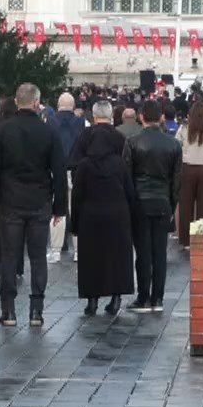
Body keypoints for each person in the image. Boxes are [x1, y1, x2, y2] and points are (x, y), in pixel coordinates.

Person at [0, 83, 68, 327]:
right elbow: (59, 172)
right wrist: (59, 207)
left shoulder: (2, 131)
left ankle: (8, 310)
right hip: (39, 201)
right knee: (38, 256)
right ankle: (36, 310)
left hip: (10, 202)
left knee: (10, 256)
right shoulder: (49, 132)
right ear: (36, 103)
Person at [71, 101, 137, 315]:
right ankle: (116, 296)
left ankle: (92, 300)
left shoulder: (84, 162)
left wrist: (75, 223)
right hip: (117, 211)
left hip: (91, 212)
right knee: (117, 255)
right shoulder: (119, 158)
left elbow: (77, 194)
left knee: (91, 257)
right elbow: (129, 188)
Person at [127, 100, 182, 312]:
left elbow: (127, 175)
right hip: (162, 201)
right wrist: (172, 204)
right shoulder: (173, 144)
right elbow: (176, 180)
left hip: (140, 200)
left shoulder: (133, 142)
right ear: (161, 118)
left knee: (142, 252)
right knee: (160, 251)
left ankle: (143, 297)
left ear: (141, 117)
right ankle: (158, 298)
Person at [174, 101, 203, 245]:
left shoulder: (184, 128)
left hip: (187, 169)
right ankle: (202, 239)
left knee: (186, 205)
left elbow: (176, 146)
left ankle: (185, 240)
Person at [49, 93, 85, 262]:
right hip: (76, 170)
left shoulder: (49, 122)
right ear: (73, 106)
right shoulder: (81, 123)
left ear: (58, 105)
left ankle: (55, 250)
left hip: (55, 170)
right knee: (76, 209)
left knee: (58, 210)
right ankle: (79, 250)